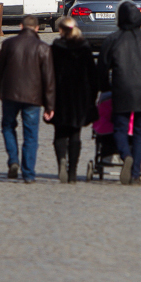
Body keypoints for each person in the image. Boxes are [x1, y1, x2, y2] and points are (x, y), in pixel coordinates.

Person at [99, 0, 141, 185]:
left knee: (119, 129)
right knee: (140, 133)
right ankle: (134, 174)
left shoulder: (113, 39)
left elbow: (102, 68)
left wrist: (105, 87)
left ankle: (126, 156)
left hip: (121, 90)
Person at [0, 15, 55, 183]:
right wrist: (50, 105)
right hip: (33, 98)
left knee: (8, 126)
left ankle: (13, 160)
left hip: (10, 94)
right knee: (30, 135)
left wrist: (0, 89)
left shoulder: (9, 44)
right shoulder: (43, 48)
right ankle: (28, 173)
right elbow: (49, 79)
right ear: (36, 28)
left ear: (21, 26)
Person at [49, 16, 98, 183]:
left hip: (60, 95)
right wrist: (92, 99)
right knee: (75, 134)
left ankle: (61, 160)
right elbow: (92, 75)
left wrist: (47, 98)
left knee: (60, 132)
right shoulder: (84, 48)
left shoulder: (56, 47)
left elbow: (49, 74)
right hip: (79, 96)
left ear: (61, 30)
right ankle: (72, 172)